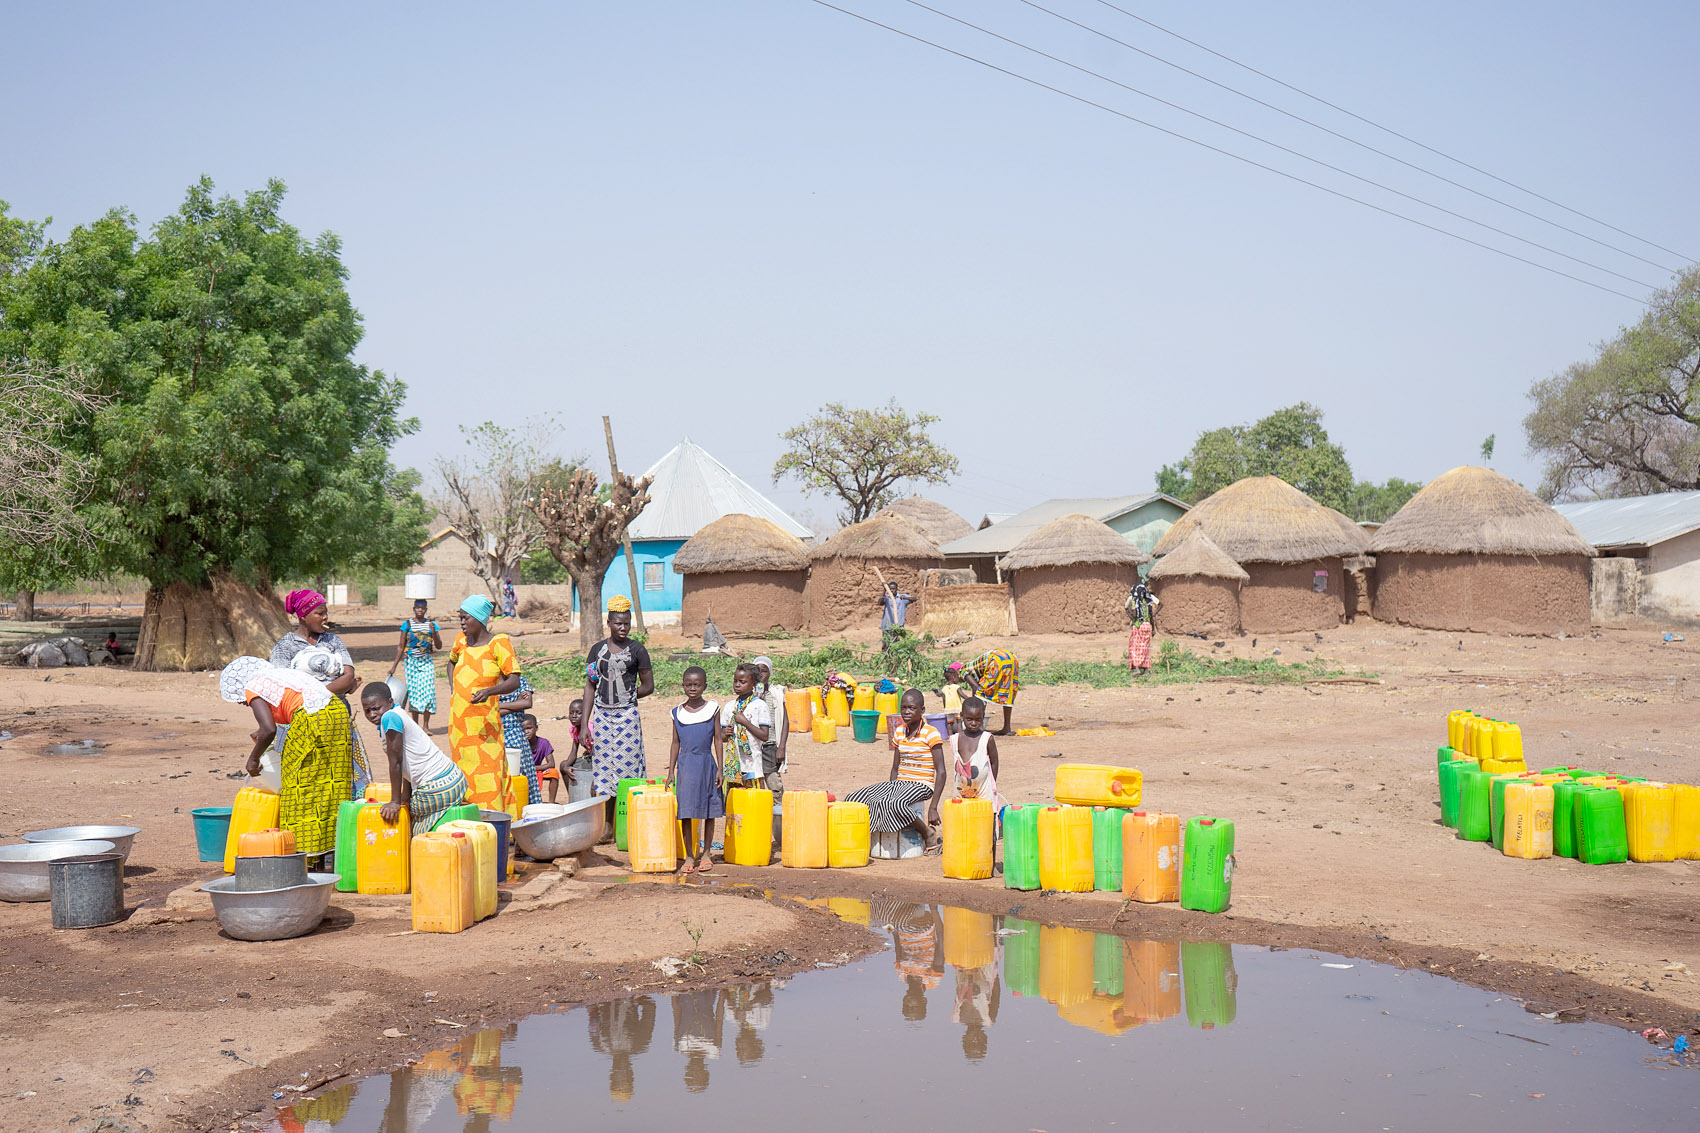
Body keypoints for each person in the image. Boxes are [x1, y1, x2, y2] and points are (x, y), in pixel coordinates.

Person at [220, 656, 351, 868]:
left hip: (312, 719)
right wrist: (261, 734)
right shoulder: (280, 677)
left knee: (296, 788)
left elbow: (269, 730)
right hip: (336, 714)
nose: (244, 703)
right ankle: (330, 858)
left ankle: (304, 859)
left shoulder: (253, 687)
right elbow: (278, 720)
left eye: (240, 700)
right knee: (329, 785)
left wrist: (253, 759)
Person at [272, 587, 369, 784]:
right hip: (301, 719)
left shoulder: (333, 641)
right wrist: (333, 687)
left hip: (337, 716)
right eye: (319, 613)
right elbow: (280, 685)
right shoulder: (285, 646)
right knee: (310, 776)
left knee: (339, 773)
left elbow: (349, 677)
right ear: (303, 617)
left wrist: (317, 694)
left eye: (326, 613)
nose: (325, 618)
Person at [359, 682, 469, 836]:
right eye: (367, 711)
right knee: (408, 807)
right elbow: (407, 760)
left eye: (376, 708)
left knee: (407, 833)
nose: (372, 714)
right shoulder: (398, 713)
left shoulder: (390, 718)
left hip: (437, 788)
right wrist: (405, 796)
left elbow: (396, 762)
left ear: (390, 702)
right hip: (454, 779)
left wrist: (395, 802)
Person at [447, 593, 523, 810]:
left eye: (466, 618)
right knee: (463, 773)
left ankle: (495, 823)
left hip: (485, 726)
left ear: (480, 620)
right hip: (460, 727)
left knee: (490, 771)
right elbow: (450, 663)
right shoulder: (460, 642)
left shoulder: (498, 643)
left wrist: (490, 691)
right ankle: (470, 822)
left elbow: (514, 680)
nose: (462, 622)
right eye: (460, 618)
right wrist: (455, 689)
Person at [583, 595, 654, 828]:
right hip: (602, 716)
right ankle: (607, 826)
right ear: (609, 623)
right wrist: (585, 724)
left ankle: (629, 824)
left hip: (627, 717)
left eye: (626, 623)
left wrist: (629, 697)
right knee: (603, 770)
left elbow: (648, 686)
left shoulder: (637, 650)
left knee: (628, 768)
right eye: (618, 623)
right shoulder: (597, 650)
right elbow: (590, 686)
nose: (622, 628)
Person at [847, 688, 944, 853]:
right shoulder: (899, 732)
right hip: (900, 784)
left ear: (922, 710)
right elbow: (895, 767)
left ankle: (927, 833)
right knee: (855, 797)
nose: (906, 711)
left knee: (895, 803)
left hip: (922, 785)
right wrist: (891, 789)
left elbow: (941, 771)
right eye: (903, 707)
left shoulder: (930, 733)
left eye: (912, 708)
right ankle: (867, 838)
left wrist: (933, 806)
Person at [666, 666, 724, 874]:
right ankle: (690, 855)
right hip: (686, 767)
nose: (693, 688)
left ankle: (707, 853)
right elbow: (675, 744)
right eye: (689, 685)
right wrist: (671, 771)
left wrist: (720, 769)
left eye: (697, 685)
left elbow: (718, 739)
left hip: (707, 764)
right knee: (686, 812)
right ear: (683, 686)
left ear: (704, 686)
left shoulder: (713, 709)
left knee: (708, 811)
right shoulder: (677, 713)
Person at [387, 599, 442, 731]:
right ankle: (416, 726)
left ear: (426, 610)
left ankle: (426, 726)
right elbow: (401, 646)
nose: (420, 610)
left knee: (429, 693)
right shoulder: (407, 624)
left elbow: (439, 646)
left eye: (422, 608)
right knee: (414, 693)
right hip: (411, 663)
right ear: (414, 609)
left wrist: (433, 632)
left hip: (427, 662)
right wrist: (394, 665)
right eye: (417, 608)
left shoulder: (431, 624)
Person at [719, 663, 770, 788]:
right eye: (735, 681)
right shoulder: (730, 706)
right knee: (734, 800)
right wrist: (726, 733)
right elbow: (721, 736)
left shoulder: (759, 705)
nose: (737, 685)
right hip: (733, 765)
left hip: (752, 764)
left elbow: (764, 736)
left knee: (754, 800)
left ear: (753, 684)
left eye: (742, 682)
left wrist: (745, 722)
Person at [947, 649, 1020, 736]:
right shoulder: (973, 668)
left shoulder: (962, 671)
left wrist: (972, 706)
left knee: (981, 693)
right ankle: (1007, 728)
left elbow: (975, 687)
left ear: (955, 674)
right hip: (1011, 658)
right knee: (1007, 691)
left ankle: (980, 729)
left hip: (997, 660)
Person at [951, 696, 1005, 811]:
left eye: (978, 719)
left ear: (983, 716)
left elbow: (994, 762)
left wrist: (992, 784)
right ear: (961, 716)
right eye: (969, 719)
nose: (974, 723)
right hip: (961, 793)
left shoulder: (987, 739)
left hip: (984, 792)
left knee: (985, 821)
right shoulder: (955, 740)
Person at [497, 672, 544, 805]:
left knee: (521, 776)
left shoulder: (520, 681)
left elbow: (527, 703)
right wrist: (516, 704)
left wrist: (498, 706)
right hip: (495, 735)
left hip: (517, 736)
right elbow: (487, 711)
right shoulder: (490, 685)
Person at [749, 656, 789, 800]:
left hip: (770, 745)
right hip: (751, 746)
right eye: (757, 671)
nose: (761, 675)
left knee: (774, 785)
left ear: (770, 673)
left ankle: (778, 817)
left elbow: (785, 721)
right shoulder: (747, 694)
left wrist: (781, 747)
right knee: (755, 786)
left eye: (764, 671)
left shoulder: (775, 694)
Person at [1126, 578, 1160, 674]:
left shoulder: (1134, 600)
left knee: (1135, 647)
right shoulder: (1148, 601)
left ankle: (1136, 668)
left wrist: (1130, 613)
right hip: (1147, 626)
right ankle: (1146, 670)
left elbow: (1136, 615)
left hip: (1138, 626)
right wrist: (1153, 629)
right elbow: (1151, 616)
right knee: (1145, 648)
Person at [524, 714, 560, 803]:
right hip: (523, 771)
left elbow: (551, 764)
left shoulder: (544, 743)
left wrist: (534, 768)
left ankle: (551, 802)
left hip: (538, 769)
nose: (526, 732)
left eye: (529, 728)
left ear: (536, 728)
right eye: (523, 729)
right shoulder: (520, 743)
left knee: (554, 773)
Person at [566, 698, 593, 792]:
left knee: (585, 767)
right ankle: (572, 797)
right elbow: (574, 751)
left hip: (597, 760)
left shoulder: (590, 729)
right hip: (589, 758)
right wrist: (566, 766)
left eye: (578, 713)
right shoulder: (574, 729)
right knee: (563, 766)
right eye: (571, 713)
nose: (574, 716)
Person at [880, 581, 913, 652]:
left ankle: (894, 659)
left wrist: (905, 598)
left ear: (897, 589)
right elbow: (880, 603)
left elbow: (915, 599)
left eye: (893, 589)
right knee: (886, 644)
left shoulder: (901, 598)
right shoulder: (886, 598)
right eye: (890, 589)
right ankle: (886, 659)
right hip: (887, 626)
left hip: (897, 626)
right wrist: (884, 590)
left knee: (896, 645)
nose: (892, 590)